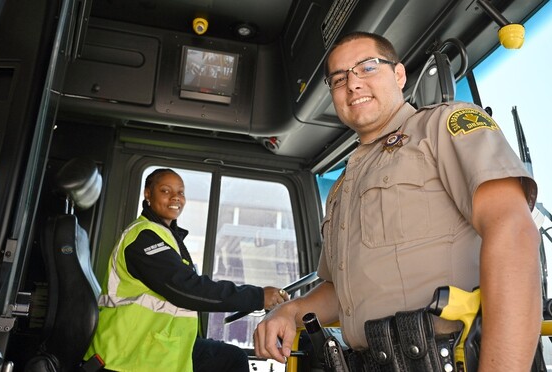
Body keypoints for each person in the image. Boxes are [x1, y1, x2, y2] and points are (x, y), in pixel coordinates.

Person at [253, 31, 542, 371]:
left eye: (368, 67)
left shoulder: (442, 127)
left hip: (450, 358)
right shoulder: (343, 187)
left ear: (399, 75)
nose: (353, 83)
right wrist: (289, 310)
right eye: (339, 78)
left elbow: (513, 232)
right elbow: (341, 292)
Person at [85, 168, 289, 372]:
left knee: (230, 357)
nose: (176, 197)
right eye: (165, 191)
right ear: (148, 194)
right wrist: (257, 296)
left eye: (180, 192)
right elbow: (187, 289)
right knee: (230, 360)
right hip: (127, 354)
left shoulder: (165, 236)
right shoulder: (143, 237)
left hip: (156, 344)